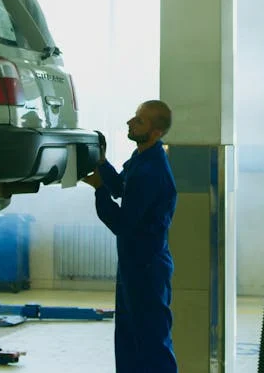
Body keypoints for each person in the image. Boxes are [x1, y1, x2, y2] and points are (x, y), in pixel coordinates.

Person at [83, 100, 178, 373]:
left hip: (147, 268)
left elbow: (122, 223)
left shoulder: (151, 171)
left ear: (156, 131)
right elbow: (121, 187)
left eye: (139, 121)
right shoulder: (142, 159)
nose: (130, 123)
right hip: (133, 264)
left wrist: (99, 190)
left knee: (151, 342)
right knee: (128, 338)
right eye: (134, 118)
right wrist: (101, 162)